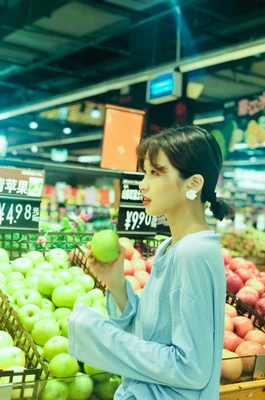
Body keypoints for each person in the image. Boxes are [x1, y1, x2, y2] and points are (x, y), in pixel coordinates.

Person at [68, 125, 235, 399]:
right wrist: (116, 283)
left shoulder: (192, 253)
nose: (142, 183)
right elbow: (152, 336)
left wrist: (98, 335)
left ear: (193, 184)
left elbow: (190, 367)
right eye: (145, 172)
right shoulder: (172, 247)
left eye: (156, 173)